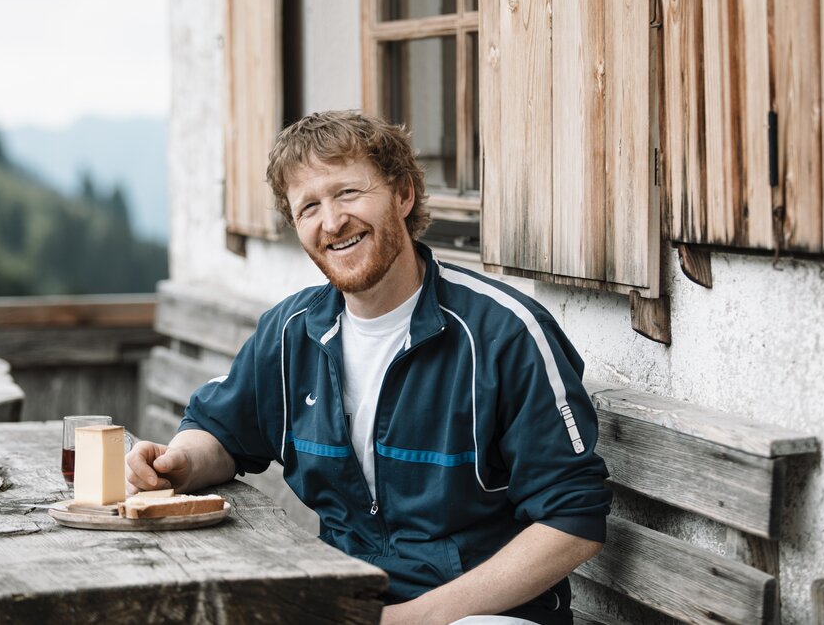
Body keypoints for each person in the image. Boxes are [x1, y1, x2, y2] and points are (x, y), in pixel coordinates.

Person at [126, 110, 612, 624]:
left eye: (348, 194)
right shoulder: (293, 331)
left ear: (403, 195)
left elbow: (572, 520)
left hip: (480, 614)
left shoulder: (502, 333)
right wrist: (179, 463)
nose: (332, 221)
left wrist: (416, 618)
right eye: (308, 206)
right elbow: (221, 432)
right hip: (348, 602)